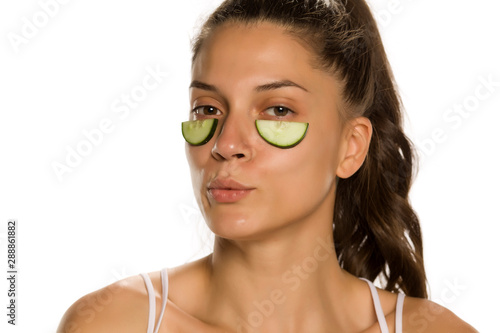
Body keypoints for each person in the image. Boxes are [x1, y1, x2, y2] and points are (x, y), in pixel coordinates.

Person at [57, 0, 478, 332]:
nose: (226, 144)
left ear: (350, 148)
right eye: (208, 108)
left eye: (277, 109)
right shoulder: (111, 325)